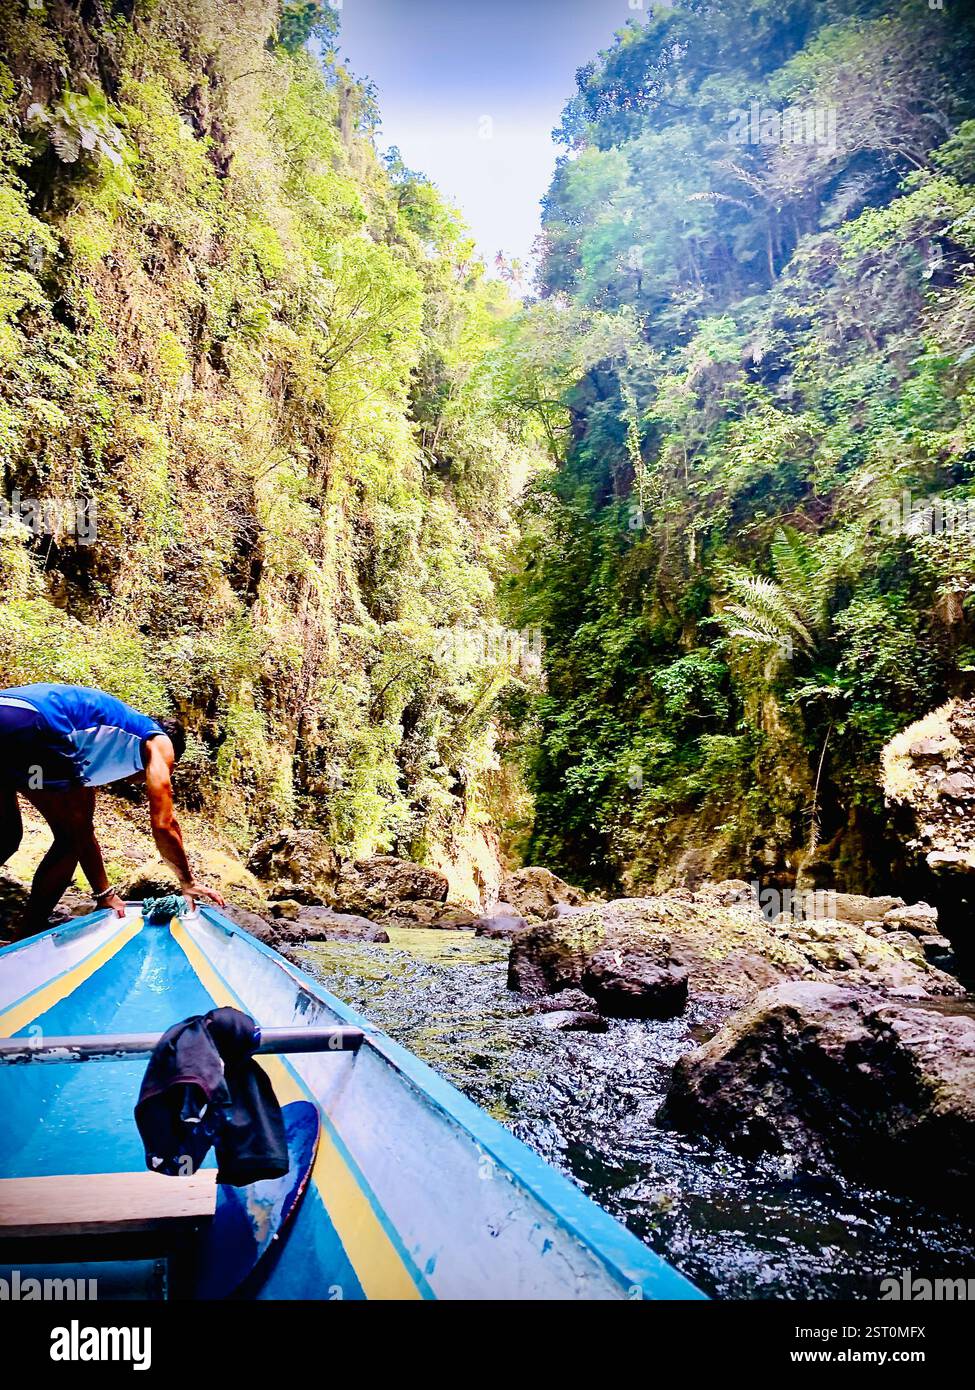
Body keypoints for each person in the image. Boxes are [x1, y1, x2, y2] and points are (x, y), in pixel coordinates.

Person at [0, 681, 225, 937]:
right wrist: (188, 882)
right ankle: (26, 936)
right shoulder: (159, 742)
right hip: (33, 726)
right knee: (68, 841)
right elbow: (164, 823)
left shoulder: (89, 749)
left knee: (7, 835)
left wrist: (105, 894)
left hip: (10, 716)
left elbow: (85, 829)